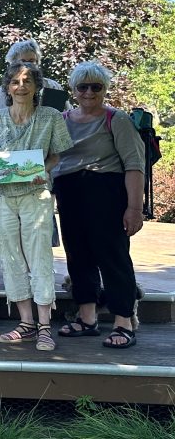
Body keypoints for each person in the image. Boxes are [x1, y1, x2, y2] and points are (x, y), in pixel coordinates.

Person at [0, 63, 73, 351]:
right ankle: (26, 324)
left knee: (39, 256)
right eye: (15, 81)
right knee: (10, 258)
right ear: (7, 87)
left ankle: (45, 327)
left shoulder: (51, 117)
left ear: (36, 86)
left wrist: (45, 168)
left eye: (27, 80)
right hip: (1, 198)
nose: (21, 86)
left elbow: (56, 155)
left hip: (35, 195)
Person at [54, 61, 146, 349]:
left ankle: (123, 320)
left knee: (112, 256)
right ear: (74, 89)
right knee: (78, 255)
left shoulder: (115, 119)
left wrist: (134, 208)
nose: (90, 92)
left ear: (105, 89)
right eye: (83, 87)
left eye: (96, 86)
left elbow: (134, 164)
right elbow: (48, 157)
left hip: (105, 191)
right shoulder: (63, 119)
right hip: (70, 193)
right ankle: (87, 318)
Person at [0, 39, 67, 111]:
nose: (28, 65)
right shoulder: (0, 93)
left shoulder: (52, 87)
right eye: (23, 61)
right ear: (13, 64)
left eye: (32, 61)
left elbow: (64, 116)